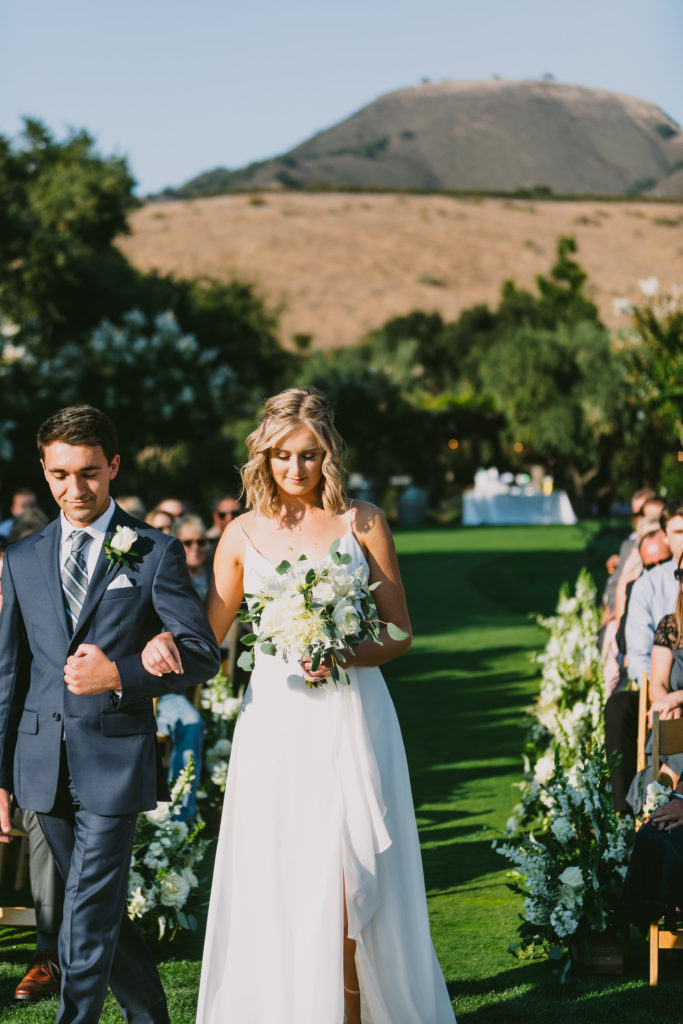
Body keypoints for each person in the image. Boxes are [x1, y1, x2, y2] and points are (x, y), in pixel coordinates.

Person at [141, 387, 456, 1024]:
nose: (296, 469)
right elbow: (209, 636)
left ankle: (353, 1012)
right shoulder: (241, 534)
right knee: (286, 873)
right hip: (277, 726)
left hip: (353, 716)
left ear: (328, 456)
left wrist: (344, 653)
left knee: (350, 874)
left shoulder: (361, 521)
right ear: (264, 457)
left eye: (309, 455)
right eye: (283, 455)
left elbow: (399, 634)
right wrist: (161, 640)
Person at [0, 404, 220, 1024]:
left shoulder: (152, 552)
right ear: (44, 471)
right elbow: (8, 675)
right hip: (40, 761)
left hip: (114, 761)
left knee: (85, 915)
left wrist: (120, 675)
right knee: (90, 907)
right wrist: (1, 777)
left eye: (90, 472)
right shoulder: (20, 558)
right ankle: (150, 1013)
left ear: (114, 466)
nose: (76, 489)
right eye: (62, 474)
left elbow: (202, 654)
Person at [621, 554, 683, 930]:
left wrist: (680, 698)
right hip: (674, 736)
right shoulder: (671, 625)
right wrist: (668, 702)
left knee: (661, 827)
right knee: (656, 820)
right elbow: (658, 682)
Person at [155, 514, 212, 821]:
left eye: (201, 542)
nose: (196, 548)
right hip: (155, 686)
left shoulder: (215, 579)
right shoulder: (159, 580)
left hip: (190, 683)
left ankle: (180, 819)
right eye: (187, 543)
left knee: (191, 721)